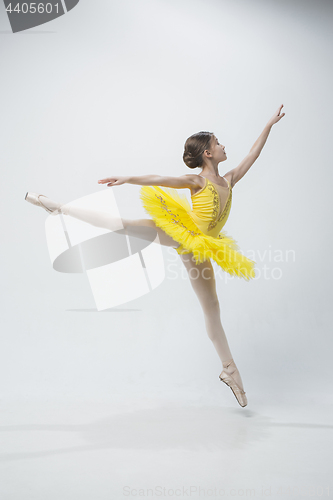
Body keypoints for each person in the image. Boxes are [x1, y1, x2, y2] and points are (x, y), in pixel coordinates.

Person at [25, 104, 285, 407]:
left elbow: (254, 154)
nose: (224, 145)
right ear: (208, 154)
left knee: (212, 308)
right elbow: (159, 178)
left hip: (202, 248)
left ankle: (230, 370)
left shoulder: (228, 179)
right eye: (218, 142)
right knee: (124, 225)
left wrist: (269, 124)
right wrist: (128, 178)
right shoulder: (197, 182)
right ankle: (58, 207)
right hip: (181, 232)